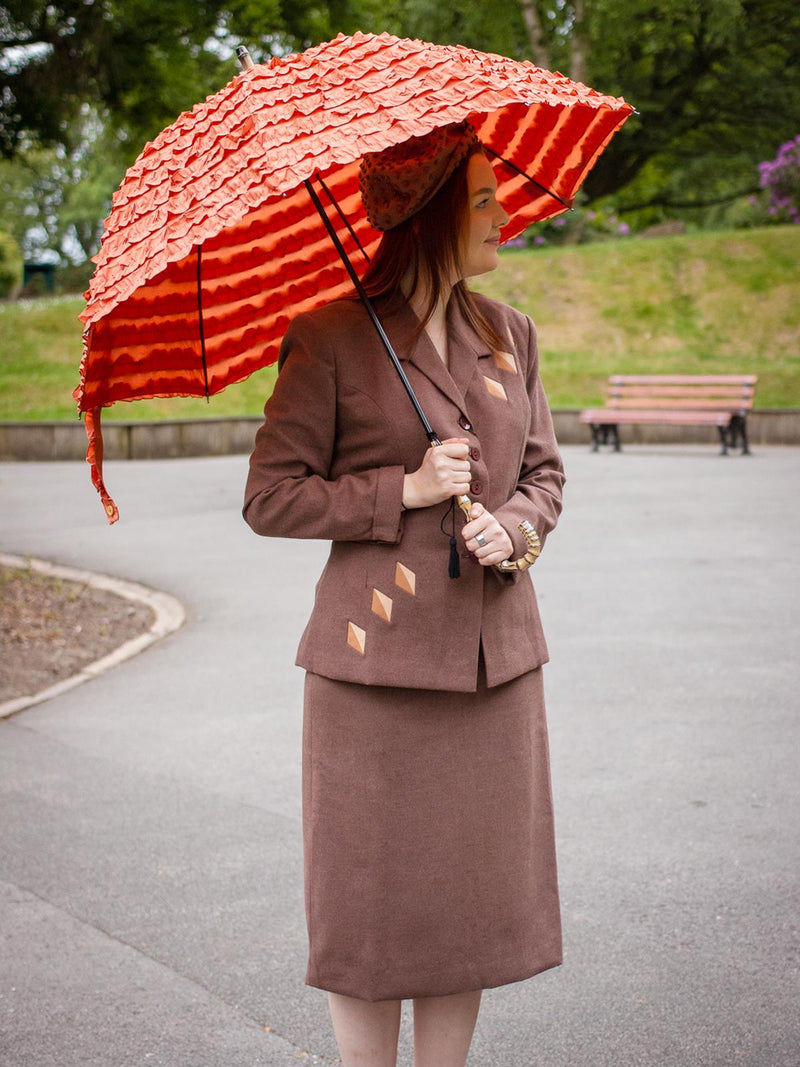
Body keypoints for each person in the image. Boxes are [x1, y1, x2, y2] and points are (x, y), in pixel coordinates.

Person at [243, 121, 565, 1067]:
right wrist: (406, 492)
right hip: (370, 675)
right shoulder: (332, 338)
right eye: (482, 199)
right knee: (371, 911)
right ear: (427, 216)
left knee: (463, 908)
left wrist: (511, 525)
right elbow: (271, 496)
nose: (503, 212)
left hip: (492, 671)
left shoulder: (512, 335)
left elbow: (545, 475)